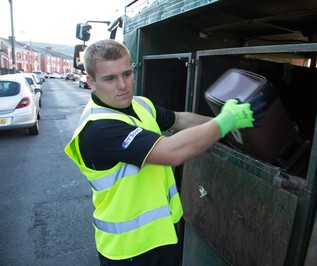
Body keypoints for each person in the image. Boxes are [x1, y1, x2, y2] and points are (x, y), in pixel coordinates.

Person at [64, 39, 255, 265]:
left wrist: (225, 124)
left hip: (164, 234)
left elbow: (180, 119)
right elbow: (171, 152)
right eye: (110, 78)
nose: (123, 85)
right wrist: (225, 122)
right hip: (129, 250)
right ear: (91, 82)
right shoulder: (98, 128)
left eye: (127, 74)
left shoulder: (141, 105)